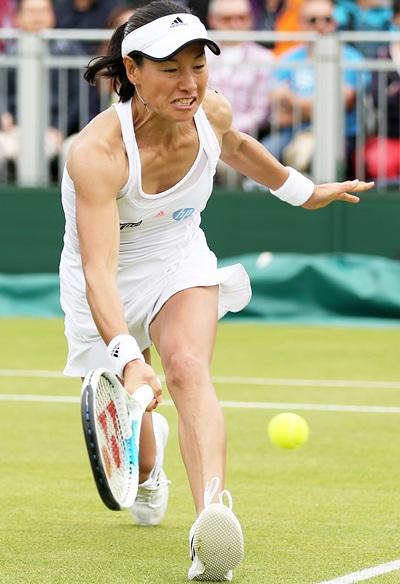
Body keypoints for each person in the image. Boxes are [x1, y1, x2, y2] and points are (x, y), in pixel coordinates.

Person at [59, 1, 373, 581]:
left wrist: (303, 193)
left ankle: (211, 523)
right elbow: (99, 271)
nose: (189, 83)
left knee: (185, 368)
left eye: (198, 65)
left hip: (178, 256)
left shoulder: (212, 112)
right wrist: (127, 360)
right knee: (144, 416)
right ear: (132, 71)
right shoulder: (96, 154)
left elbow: (238, 148)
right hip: (102, 280)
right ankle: (150, 468)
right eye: (171, 69)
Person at [259, 0, 365, 176]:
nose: (320, 26)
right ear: (300, 24)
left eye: (327, 19)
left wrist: (293, 103)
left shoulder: (353, 58)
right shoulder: (288, 59)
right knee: (259, 158)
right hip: (289, 133)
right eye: (312, 20)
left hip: (338, 137)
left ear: (335, 23)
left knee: (307, 156)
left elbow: (342, 102)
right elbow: (279, 113)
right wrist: (320, 106)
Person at [361, 0, 400, 181]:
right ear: (395, 19)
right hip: (389, 137)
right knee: (379, 163)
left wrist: (394, 92)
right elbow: (378, 99)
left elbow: (389, 100)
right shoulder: (383, 54)